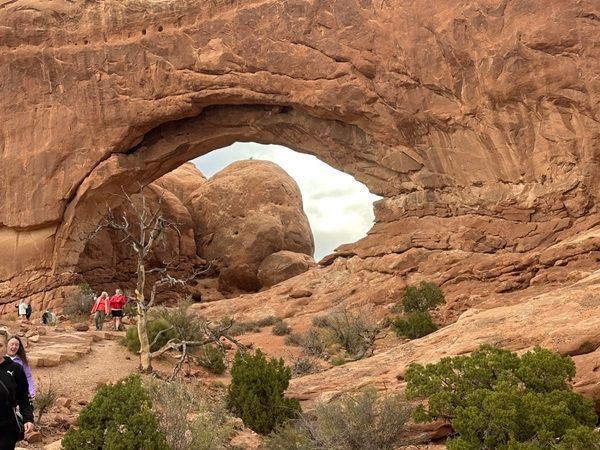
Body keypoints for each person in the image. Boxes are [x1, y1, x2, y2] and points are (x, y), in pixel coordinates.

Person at [0, 331, 33, 449]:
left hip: (7, 427)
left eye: (0, 345)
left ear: (5, 347)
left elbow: (24, 395)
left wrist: (28, 418)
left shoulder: (16, 368)